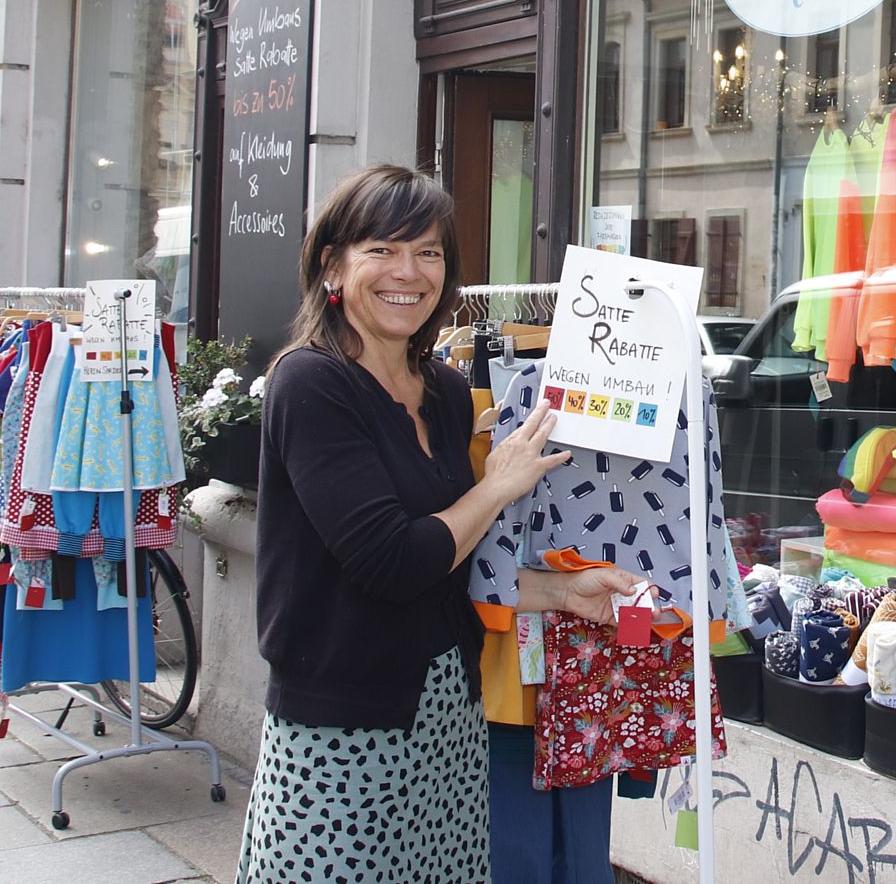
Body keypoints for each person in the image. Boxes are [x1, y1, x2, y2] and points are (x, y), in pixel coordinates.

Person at [236, 164, 639, 884]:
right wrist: (499, 483)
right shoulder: (311, 383)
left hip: (448, 721)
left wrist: (558, 591)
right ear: (332, 264)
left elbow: (452, 568)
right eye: (381, 250)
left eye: (428, 251)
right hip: (341, 732)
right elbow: (392, 560)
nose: (408, 272)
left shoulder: (448, 392)